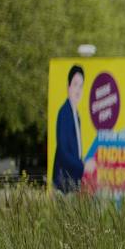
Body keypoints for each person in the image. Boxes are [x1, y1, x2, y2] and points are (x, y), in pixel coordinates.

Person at [52, 65, 87, 193]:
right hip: (63, 183)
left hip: (72, 182)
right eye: (75, 84)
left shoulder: (76, 115)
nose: (78, 90)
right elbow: (63, 151)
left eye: (81, 86)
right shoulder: (64, 113)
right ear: (68, 86)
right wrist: (82, 166)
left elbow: (75, 149)